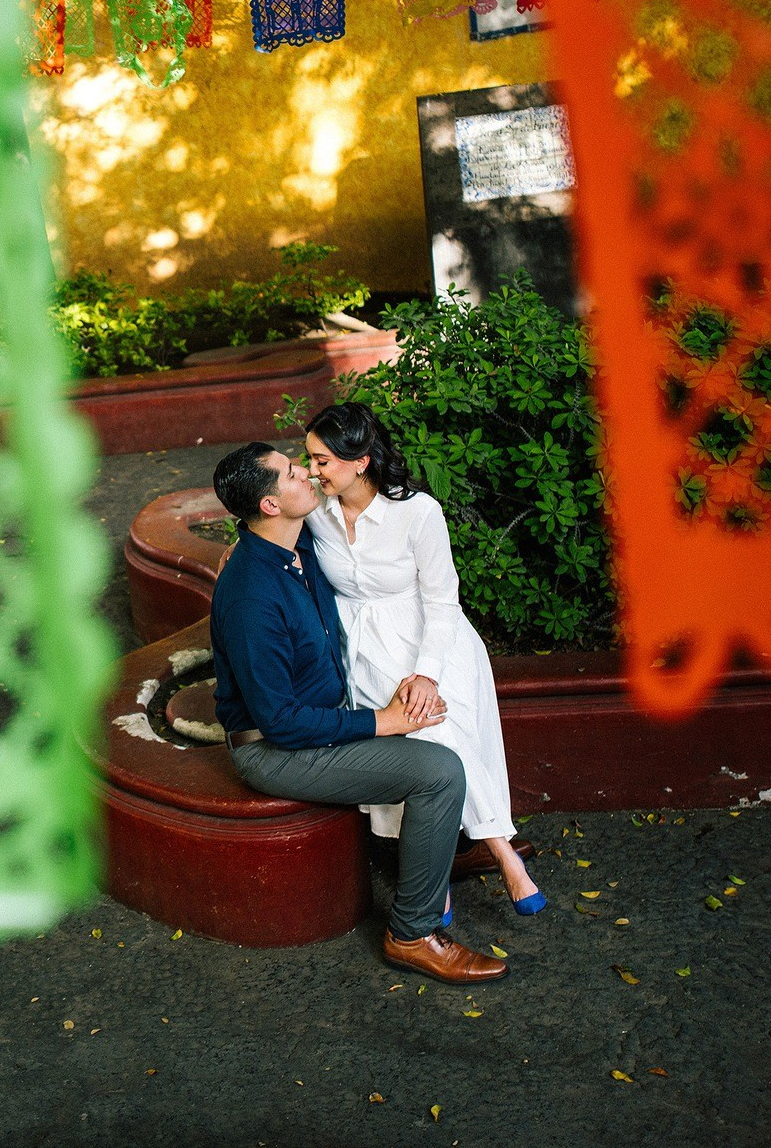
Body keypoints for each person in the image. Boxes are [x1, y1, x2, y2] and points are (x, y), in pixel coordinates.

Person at [207, 442, 506, 982]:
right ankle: (412, 933)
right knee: (437, 773)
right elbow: (281, 723)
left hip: (323, 720)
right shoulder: (253, 597)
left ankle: (440, 853)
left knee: (440, 722)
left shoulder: (295, 548)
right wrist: (383, 722)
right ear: (271, 506)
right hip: (276, 751)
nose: (309, 474)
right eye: (295, 473)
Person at [301, 402, 546, 917]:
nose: (311, 470)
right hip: (361, 650)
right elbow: (265, 519)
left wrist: (427, 674)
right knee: (404, 747)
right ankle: (458, 868)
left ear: (360, 461)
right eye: (310, 459)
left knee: (437, 729)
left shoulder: (417, 513)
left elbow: (442, 600)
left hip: (430, 639)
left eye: (322, 461)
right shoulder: (315, 512)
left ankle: (499, 854)